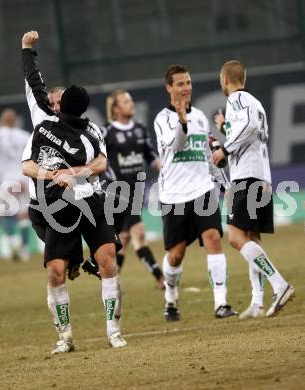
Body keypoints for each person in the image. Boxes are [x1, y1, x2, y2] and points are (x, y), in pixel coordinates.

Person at [21, 30, 126, 354]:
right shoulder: (42, 125)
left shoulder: (91, 130)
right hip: (50, 205)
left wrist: (73, 173)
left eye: (59, 101)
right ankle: (65, 336)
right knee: (56, 271)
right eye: (51, 101)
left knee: (109, 258)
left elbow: (100, 164)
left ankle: (114, 331)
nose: (53, 104)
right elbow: (33, 84)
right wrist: (27, 50)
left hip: (86, 199)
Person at [154, 64, 237, 321]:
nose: (186, 87)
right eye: (180, 84)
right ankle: (171, 299)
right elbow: (177, 145)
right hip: (174, 196)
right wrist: (181, 120)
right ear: (169, 88)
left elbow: (208, 157)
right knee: (176, 255)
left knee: (213, 238)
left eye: (188, 82)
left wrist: (224, 185)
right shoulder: (162, 119)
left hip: (202, 190)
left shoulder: (200, 116)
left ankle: (221, 303)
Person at [212, 60, 294, 318]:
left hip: (246, 177)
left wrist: (223, 148)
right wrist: (225, 129)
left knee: (236, 237)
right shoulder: (255, 103)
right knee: (251, 238)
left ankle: (279, 285)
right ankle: (258, 302)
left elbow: (248, 127)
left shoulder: (236, 99)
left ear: (225, 79)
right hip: (261, 176)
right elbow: (252, 133)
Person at [102, 89, 164, 288]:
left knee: (125, 238)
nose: (131, 104)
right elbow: (98, 160)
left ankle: (111, 280)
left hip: (136, 190)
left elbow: (151, 156)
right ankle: (160, 278)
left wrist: (167, 168)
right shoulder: (106, 132)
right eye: (126, 101)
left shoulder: (140, 129)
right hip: (118, 191)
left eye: (131, 100)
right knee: (138, 233)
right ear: (116, 108)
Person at [0, 108, 31, 261]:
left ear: (2, 120)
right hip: (23, 178)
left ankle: (14, 241)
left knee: (3, 212)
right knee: (23, 214)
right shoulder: (24, 135)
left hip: (7, 179)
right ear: (15, 120)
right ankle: (24, 249)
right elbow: (34, 156)